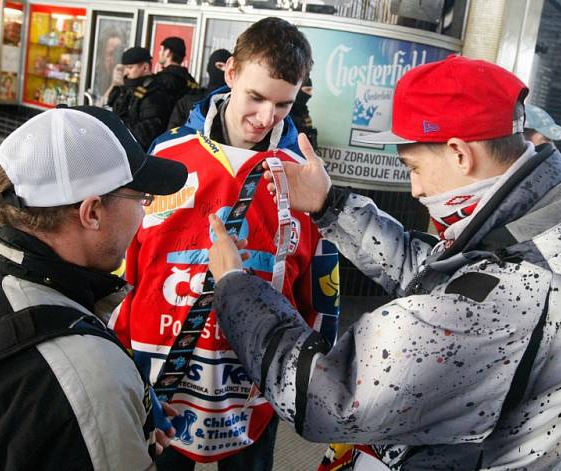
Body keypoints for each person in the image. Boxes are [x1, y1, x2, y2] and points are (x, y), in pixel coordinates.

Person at [206, 55, 561, 470]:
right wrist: (330, 206)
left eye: (413, 167)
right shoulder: (547, 239)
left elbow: (323, 394)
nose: (415, 189)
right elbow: (436, 278)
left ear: (459, 153)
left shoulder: (511, 296)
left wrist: (235, 285)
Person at [0, 106, 188, 470]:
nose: (143, 213)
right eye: (141, 198)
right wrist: (111, 414)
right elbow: (70, 386)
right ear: (92, 213)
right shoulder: (90, 376)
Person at [111, 17, 340, 471]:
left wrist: (309, 372)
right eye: (255, 97)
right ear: (230, 72)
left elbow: (319, 289)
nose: (264, 118)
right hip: (161, 379)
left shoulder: (305, 178)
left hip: (255, 385)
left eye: (283, 105)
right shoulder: (167, 156)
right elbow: (125, 263)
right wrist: (114, 354)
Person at [106, 46, 175, 149]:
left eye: (130, 68)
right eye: (124, 68)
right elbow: (111, 106)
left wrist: (117, 128)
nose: (126, 73)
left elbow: (146, 134)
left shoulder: (154, 94)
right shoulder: (126, 88)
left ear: (145, 67)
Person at [167, 48, 231, 130]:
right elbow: (172, 135)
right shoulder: (189, 100)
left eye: (226, 67)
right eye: (220, 66)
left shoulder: (232, 103)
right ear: (209, 68)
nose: (223, 70)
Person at [154, 36, 199, 105]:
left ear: (168, 52)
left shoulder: (163, 79)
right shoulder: (191, 80)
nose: (159, 53)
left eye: (161, 50)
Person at [288, 75, 318, 151]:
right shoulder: (287, 113)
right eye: (307, 90)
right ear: (298, 90)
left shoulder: (303, 111)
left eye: (311, 90)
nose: (310, 94)